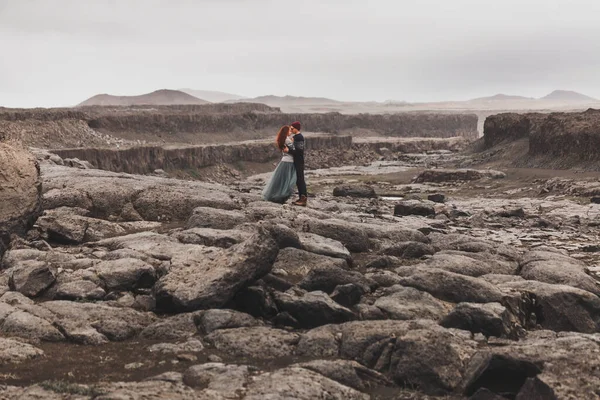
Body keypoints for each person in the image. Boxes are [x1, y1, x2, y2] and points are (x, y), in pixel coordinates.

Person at [262, 125, 297, 203]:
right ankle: (281, 196)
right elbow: (294, 151)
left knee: (281, 180)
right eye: (289, 131)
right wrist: (294, 143)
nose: (290, 132)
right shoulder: (287, 140)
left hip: (284, 161)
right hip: (289, 162)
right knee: (287, 181)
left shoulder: (283, 139)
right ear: (286, 132)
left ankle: (275, 194)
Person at [288, 121, 307, 206]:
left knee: (300, 180)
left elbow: (299, 151)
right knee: (299, 180)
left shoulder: (299, 137)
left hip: (299, 161)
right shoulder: (296, 137)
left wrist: (289, 150)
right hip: (298, 161)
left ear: (296, 128)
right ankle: (301, 197)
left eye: (292, 128)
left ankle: (303, 199)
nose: (291, 130)